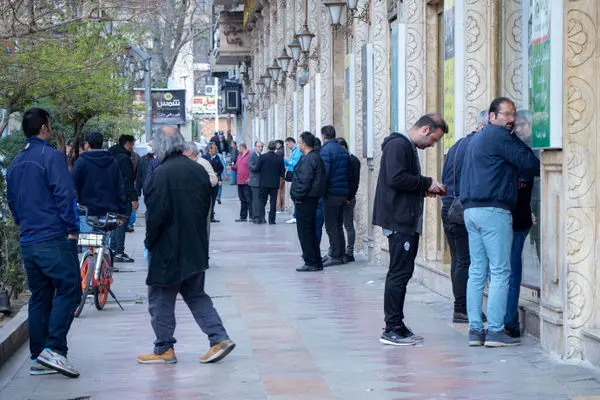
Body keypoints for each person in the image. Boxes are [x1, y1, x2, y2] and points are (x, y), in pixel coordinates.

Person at [137, 126, 236, 365]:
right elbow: (205, 209)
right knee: (195, 293)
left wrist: (150, 242)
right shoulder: (198, 170)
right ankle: (219, 337)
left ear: (161, 146)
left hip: (169, 248)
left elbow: (156, 215)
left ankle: (164, 348)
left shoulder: (162, 173)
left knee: (160, 296)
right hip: (195, 244)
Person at [7, 108, 82, 378]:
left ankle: (39, 357)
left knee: (40, 296)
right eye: (49, 124)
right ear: (44, 128)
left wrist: (22, 223)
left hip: (28, 239)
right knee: (70, 289)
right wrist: (72, 229)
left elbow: (12, 201)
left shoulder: (15, 162)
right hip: (52, 237)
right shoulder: (50, 156)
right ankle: (55, 349)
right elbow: (64, 194)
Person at [460, 97, 540, 348]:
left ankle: (475, 330)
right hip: (493, 211)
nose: (511, 119)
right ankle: (495, 330)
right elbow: (531, 163)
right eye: (506, 114)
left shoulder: (476, 139)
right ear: (492, 117)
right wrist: (513, 136)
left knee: (477, 271)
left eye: (513, 114)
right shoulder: (499, 136)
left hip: (472, 211)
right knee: (500, 271)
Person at [373, 114, 448, 346]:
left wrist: (422, 189)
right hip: (399, 220)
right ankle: (392, 327)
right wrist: (426, 182)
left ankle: (398, 324)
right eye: (433, 140)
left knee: (403, 273)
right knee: (398, 273)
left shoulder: (405, 146)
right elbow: (396, 178)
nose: (432, 146)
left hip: (404, 217)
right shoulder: (399, 145)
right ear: (425, 129)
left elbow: (403, 182)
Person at [441, 109, 488, 324]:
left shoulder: (457, 145)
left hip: (449, 207)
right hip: (464, 209)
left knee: (458, 260)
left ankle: (461, 307)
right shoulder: (479, 145)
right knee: (466, 261)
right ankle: (463, 309)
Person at [505, 110, 538, 339]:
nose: (519, 128)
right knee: (509, 273)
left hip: (522, 218)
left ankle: (506, 320)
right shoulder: (513, 150)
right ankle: (509, 321)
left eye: (524, 124)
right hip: (510, 220)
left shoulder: (530, 150)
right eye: (517, 125)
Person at [71, 130, 128, 233]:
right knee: (103, 245)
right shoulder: (112, 161)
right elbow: (120, 188)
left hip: (87, 212)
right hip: (108, 213)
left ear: (87, 144)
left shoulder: (81, 162)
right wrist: (122, 213)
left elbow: (72, 187)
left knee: (87, 245)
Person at [291, 132, 326, 272]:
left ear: (304, 144)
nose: (298, 145)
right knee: (310, 231)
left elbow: (304, 181)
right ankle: (315, 261)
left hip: (305, 200)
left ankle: (311, 261)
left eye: (299, 142)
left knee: (305, 232)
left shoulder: (309, 159)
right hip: (310, 198)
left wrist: (298, 196)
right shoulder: (314, 157)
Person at [319, 125, 350, 267]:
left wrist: (321, 191)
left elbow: (324, 174)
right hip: (342, 192)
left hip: (331, 193)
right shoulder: (342, 150)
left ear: (324, 137)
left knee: (331, 226)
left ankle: (335, 255)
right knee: (338, 225)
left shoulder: (325, 151)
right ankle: (340, 253)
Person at [109, 134, 138, 263]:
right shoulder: (124, 158)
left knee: (115, 223)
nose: (133, 147)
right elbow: (128, 180)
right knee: (121, 223)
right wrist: (134, 198)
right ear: (128, 143)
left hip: (111, 195)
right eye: (132, 144)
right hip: (122, 196)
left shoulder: (111, 154)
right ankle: (119, 252)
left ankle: (114, 250)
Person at [335, 137, 361, 263]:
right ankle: (340, 250)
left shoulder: (352, 160)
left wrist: (349, 197)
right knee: (339, 225)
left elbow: (354, 181)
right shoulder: (342, 160)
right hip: (339, 197)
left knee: (348, 225)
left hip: (348, 198)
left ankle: (349, 252)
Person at [255, 141, 285, 225]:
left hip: (264, 182)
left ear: (268, 148)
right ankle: (272, 220)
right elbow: (282, 171)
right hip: (274, 183)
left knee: (262, 200)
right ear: (275, 148)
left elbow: (257, 168)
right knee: (273, 201)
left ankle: (262, 218)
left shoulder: (263, 157)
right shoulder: (279, 158)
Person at [202, 142, 224, 223]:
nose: (214, 150)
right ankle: (205, 216)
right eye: (213, 148)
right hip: (206, 182)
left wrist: (217, 173)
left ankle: (211, 216)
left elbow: (221, 168)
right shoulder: (204, 157)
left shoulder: (217, 157)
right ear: (209, 149)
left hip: (215, 181)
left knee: (213, 199)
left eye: (215, 148)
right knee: (206, 200)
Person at [231, 143, 252, 222]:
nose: (237, 150)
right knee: (242, 199)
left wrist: (250, 178)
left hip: (247, 181)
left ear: (242, 147)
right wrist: (232, 167)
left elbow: (252, 168)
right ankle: (243, 217)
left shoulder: (250, 155)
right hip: (239, 180)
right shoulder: (239, 155)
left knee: (248, 199)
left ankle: (252, 216)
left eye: (238, 148)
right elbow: (237, 166)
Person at [284, 137, 302, 224]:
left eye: (287, 144)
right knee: (293, 195)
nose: (287, 146)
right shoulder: (294, 151)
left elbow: (296, 162)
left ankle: (296, 216)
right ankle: (295, 215)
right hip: (293, 175)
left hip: (296, 174)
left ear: (291, 142)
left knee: (295, 195)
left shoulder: (298, 150)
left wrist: (288, 161)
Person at [248, 141, 264, 223]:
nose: (260, 148)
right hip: (255, 181)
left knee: (261, 200)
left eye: (261, 147)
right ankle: (256, 217)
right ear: (255, 147)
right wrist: (261, 167)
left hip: (262, 181)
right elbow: (252, 167)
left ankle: (261, 216)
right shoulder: (251, 156)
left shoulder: (262, 156)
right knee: (256, 200)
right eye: (258, 146)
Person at [275, 139, 286, 212]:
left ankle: (278, 206)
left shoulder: (279, 151)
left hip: (279, 174)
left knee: (278, 190)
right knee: (281, 190)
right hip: (281, 173)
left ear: (278, 144)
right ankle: (281, 206)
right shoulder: (281, 151)